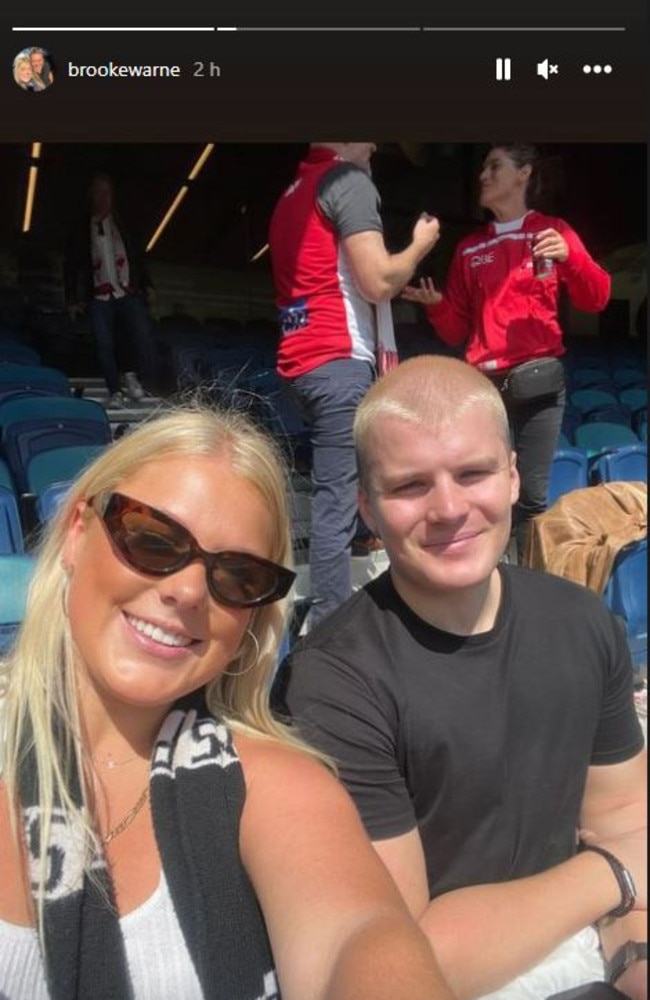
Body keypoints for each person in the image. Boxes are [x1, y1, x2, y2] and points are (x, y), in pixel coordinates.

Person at [0, 405, 455, 1000]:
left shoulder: (273, 783)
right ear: (80, 533)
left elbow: (359, 933)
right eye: (153, 539)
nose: (188, 592)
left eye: (237, 576)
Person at [274, 356, 647, 1000]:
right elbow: (397, 957)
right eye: (410, 486)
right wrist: (613, 874)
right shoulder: (330, 684)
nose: (449, 508)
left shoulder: (585, 621)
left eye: (472, 473)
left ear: (510, 477)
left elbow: (621, 811)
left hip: (599, 938)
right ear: (366, 506)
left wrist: (632, 949)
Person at [402, 143, 611, 558]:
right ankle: (489, 578)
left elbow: (597, 299)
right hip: (484, 388)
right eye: (482, 167)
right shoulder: (469, 249)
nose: (482, 175)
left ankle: (529, 592)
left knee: (532, 498)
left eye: (494, 166)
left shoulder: (554, 231)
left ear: (523, 175)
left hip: (539, 383)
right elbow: (456, 330)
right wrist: (436, 307)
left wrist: (572, 259)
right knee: (486, 494)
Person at [268, 142, 440, 626]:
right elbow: (380, 281)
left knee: (362, 480)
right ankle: (328, 625)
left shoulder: (291, 192)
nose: (375, 145)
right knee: (335, 505)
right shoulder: (347, 182)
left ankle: (379, 581)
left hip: (302, 361)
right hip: (339, 359)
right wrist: (421, 243)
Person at [64, 172, 157, 406]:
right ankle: (115, 391)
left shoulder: (123, 225)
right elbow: (71, 265)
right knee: (104, 343)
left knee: (142, 335)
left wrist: (147, 285)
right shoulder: (83, 228)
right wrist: (72, 298)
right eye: (98, 192)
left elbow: (138, 258)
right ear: (91, 196)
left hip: (127, 291)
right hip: (99, 295)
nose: (103, 197)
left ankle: (137, 381)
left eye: (107, 192)